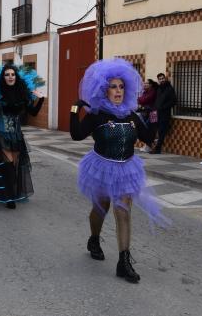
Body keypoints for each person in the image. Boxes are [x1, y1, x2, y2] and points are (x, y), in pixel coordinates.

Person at [69, 58, 168, 284]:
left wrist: (153, 118)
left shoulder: (130, 115)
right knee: (101, 209)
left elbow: (148, 139)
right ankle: (94, 238)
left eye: (122, 86)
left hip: (126, 169)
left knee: (123, 212)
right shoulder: (97, 115)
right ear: (105, 90)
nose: (118, 91)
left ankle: (124, 262)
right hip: (102, 168)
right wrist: (74, 109)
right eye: (113, 86)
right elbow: (76, 135)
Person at [0, 64, 44, 209]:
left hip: (16, 136)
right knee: (8, 164)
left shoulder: (22, 93)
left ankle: (6, 193)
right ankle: (9, 198)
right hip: (0, 134)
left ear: (16, 76)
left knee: (14, 165)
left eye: (12, 74)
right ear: (3, 77)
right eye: (7, 74)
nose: (10, 77)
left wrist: (41, 99)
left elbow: (33, 113)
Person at [151, 73, 176, 154]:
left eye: (163, 78)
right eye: (160, 79)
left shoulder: (170, 89)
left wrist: (163, 107)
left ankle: (158, 149)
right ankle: (154, 146)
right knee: (154, 128)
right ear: (158, 80)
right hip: (156, 112)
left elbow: (173, 101)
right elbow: (157, 101)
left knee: (162, 131)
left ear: (165, 78)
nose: (161, 80)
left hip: (164, 114)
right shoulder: (159, 89)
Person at [137, 79, 158, 152]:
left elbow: (143, 100)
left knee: (150, 129)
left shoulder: (153, 92)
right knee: (146, 129)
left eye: (146, 83)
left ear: (150, 85)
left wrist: (141, 100)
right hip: (146, 112)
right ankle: (148, 145)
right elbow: (141, 100)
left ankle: (150, 145)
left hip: (153, 113)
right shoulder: (145, 92)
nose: (144, 84)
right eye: (144, 83)